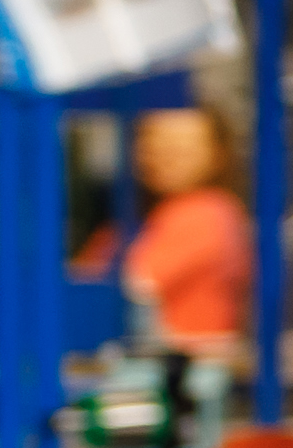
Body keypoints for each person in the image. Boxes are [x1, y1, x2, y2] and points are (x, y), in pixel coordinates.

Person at [80, 102, 251, 358]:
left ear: (217, 154)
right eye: (153, 143)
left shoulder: (205, 211)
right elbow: (85, 280)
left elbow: (131, 284)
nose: (163, 155)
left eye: (181, 149)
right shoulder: (139, 217)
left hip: (178, 370)